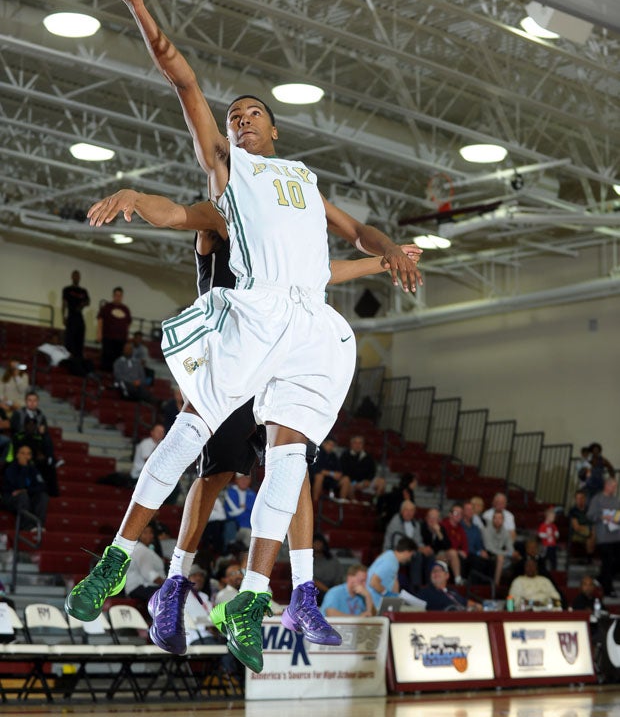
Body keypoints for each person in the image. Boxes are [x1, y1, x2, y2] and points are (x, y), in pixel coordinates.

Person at [68, 0, 421, 675]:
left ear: (277, 131)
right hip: (248, 319)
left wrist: (392, 250)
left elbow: (353, 236)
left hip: (309, 324)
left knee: (292, 458)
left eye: (254, 112)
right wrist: (136, 2)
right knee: (199, 435)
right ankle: (118, 560)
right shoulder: (231, 175)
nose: (242, 117)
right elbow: (183, 84)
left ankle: (257, 598)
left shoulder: (299, 180)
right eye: (236, 115)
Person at [74, 189, 418, 661]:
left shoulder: (276, 244)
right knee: (212, 476)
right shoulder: (222, 221)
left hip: (279, 365)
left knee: (293, 472)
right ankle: (174, 582)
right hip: (233, 360)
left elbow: (319, 275)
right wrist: (137, 197)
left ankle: (299, 593)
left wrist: (381, 262)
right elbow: (178, 214)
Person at [10, 391, 58, 496]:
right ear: (26, 401)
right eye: (30, 400)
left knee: (46, 441)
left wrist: (41, 432)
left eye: (34, 400)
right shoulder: (18, 413)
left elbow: (44, 432)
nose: (32, 403)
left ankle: (50, 459)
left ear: (38, 402)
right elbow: (15, 430)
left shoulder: (41, 416)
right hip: (22, 442)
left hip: (36, 444)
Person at [1, 444, 49, 530]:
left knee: (43, 496)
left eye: (28, 454)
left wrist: (27, 490)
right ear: (17, 455)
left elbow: (42, 486)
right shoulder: (10, 468)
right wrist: (24, 468)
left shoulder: (33, 469)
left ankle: (38, 525)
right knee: (23, 496)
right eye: (22, 453)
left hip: (27, 496)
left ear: (30, 456)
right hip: (10, 497)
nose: (25, 456)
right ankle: (27, 527)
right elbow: (18, 486)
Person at [587, 476, 620, 598]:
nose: (615, 489)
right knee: (607, 562)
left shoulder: (616, 500)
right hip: (604, 536)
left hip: (616, 534)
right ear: (607, 485)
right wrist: (602, 516)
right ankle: (608, 588)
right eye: (613, 486)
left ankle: (601, 578)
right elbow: (590, 515)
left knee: (617, 561)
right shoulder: (598, 499)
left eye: (616, 486)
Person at [382, 499, 423, 591]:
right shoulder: (395, 522)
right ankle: (415, 587)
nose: (409, 513)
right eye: (407, 510)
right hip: (394, 552)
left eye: (412, 511)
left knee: (429, 556)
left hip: (410, 551)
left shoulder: (416, 524)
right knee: (417, 556)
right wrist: (417, 548)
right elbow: (399, 544)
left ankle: (427, 588)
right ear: (402, 511)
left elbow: (418, 540)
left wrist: (422, 548)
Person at [366, 537, 417, 610]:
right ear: (407, 552)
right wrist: (387, 594)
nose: (410, 559)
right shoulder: (390, 562)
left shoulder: (391, 556)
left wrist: (396, 597)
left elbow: (394, 583)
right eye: (411, 555)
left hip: (376, 603)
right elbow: (373, 582)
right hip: (374, 605)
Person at [124, 524, 167, 603]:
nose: (149, 535)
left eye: (151, 533)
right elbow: (148, 573)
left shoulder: (146, 549)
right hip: (139, 587)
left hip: (144, 586)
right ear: (139, 535)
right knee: (169, 595)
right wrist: (166, 584)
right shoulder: (141, 550)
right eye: (145, 533)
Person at [416, 561, 482, 611]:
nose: (435, 573)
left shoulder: (452, 591)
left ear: (447, 575)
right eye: (433, 571)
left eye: (439, 570)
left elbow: (466, 602)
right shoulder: (425, 592)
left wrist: (477, 606)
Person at [339, 434, 386, 501]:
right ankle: (352, 502)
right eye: (355, 443)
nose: (358, 445)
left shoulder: (368, 457)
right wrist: (354, 483)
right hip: (351, 482)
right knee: (346, 480)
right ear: (351, 444)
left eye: (360, 443)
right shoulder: (345, 456)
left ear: (363, 445)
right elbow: (344, 472)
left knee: (382, 481)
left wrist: (368, 480)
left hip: (364, 482)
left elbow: (372, 471)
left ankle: (375, 502)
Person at [97, 287, 132, 371]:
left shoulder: (125, 309)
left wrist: (126, 336)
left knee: (118, 359)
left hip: (121, 339)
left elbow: (128, 323)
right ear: (113, 296)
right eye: (116, 295)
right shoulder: (107, 307)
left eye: (120, 295)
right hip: (108, 337)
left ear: (122, 296)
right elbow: (100, 320)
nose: (118, 297)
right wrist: (99, 333)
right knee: (107, 358)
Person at [482, 508, 515, 587]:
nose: (497, 520)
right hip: (488, 554)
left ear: (503, 520)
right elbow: (489, 548)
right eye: (495, 518)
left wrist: (511, 553)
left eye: (500, 518)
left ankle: (513, 586)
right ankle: (496, 585)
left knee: (517, 557)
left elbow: (510, 548)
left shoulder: (505, 532)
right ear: (492, 519)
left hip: (501, 554)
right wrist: (508, 553)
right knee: (500, 558)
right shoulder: (486, 530)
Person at [222, 473, 256, 548]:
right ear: (236, 480)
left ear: (250, 481)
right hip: (234, 527)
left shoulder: (252, 494)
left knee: (252, 535)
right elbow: (232, 513)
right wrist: (246, 508)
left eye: (246, 478)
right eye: (241, 478)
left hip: (249, 527)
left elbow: (255, 513)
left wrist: (243, 508)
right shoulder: (229, 492)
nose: (244, 481)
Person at [62, 270, 90, 357]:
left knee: (79, 341)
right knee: (69, 341)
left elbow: (88, 301)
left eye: (77, 276)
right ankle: (68, 359)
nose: (76, 277)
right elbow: (64, 303)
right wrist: (63, 316)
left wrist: (82, 305)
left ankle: (78, 359)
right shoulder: (67, 289)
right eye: (74, 276)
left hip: (79, 318)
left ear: (79, 278)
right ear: (72, 277)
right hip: (71, 317)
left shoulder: (83, 291)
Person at [309, 435, 344, 504]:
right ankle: (315, 502)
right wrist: (331, 473)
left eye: (333, 445)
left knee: (346, 480)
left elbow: (339, 470)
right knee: (319, 476)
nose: (331, 447)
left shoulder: (333, 455)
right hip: (313, 478)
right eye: (329, 444)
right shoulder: (317, 452)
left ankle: (342, 504)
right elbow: (316, 468)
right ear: (324, 443)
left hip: (329, 480)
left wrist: (337, 474)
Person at [312, 532, 344, 604]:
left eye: (320, 542)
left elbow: (339, 577)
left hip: (333, 587)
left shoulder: (333, 559)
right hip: (316, 589)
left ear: (324, 544)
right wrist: (329, 591)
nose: (317, 544)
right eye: (315, 542)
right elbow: (312, 580)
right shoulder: (308, 559)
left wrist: (335, 590)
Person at [441, 503, 469, 585]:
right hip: (443, 552)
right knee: (453, 553)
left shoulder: (460, 528)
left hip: (454, 553)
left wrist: (464, 552)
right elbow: (445, 544)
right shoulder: (443, 525)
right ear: (450, 514)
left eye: (461, 514)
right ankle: (458, 579)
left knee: (466, 557)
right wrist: (458, 551)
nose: (459, 515)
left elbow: (465, 544)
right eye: (456, 513)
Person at [568, 489, 595, 556]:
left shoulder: (589, 510)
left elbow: (593, 522)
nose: (579, 500)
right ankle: (590, 558)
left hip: (589, 532)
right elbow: (576, 527)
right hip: (576, 534)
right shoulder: (573, 511)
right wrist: (589, 529)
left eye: (581, 498)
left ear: (584, 499)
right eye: (577, 498)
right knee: (591, 534)